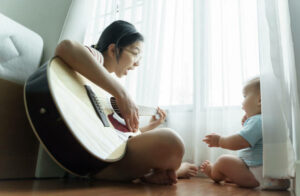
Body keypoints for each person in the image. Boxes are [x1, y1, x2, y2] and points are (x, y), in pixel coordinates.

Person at [55, 20, 190, 185]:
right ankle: (169, 170)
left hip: (112, 153)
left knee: (171, 143)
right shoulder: (97, 60)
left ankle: (154, 172)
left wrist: (150, 127)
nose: (138, 63)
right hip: (96, 155)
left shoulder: (105, 92)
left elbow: (118, 135)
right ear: (113, 49)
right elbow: (66, 47)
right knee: (172, 140)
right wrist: (122, 93)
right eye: (135, 53)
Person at [200, 77, 290, 189]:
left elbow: (240, 141)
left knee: (223, 160)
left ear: (260, 100)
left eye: (244, 96)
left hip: (256, 175)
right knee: (237, 161)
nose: (242, 101)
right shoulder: (276, 121)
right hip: (277, 178)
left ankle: (213, 172)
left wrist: (220, 141)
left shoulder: (258, 120)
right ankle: (233, 177)